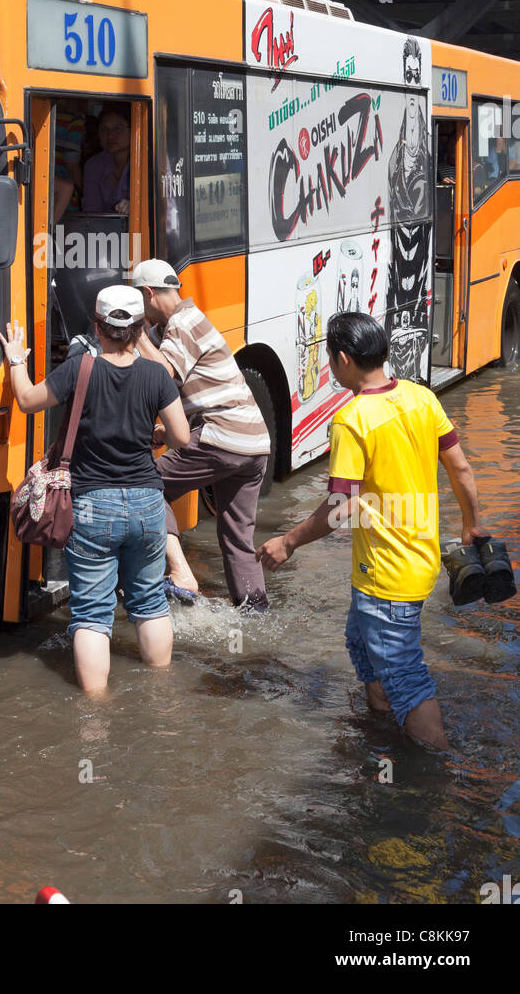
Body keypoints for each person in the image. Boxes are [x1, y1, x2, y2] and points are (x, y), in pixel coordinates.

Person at [257, 312, 484, 751]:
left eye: (329, 358)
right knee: (362, 646)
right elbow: (460, 466)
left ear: (343, 359)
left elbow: (342, 507)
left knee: (407, 679)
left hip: (387, 577)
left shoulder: (352, 419)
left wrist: (288, 542)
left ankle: (437, 773)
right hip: (416, 563)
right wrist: (472, 523)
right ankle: (381, 737)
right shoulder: (421, 397)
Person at [0, 285, 189, 695]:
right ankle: (161, 697)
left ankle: (95, 713)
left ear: (97, 327)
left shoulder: (79, 368)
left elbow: (29, 401)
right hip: (147, 504)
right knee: (150, 602)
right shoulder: (156, 375)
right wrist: (151, 434)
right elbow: (182, 437)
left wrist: (16, 360)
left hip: (90, 506)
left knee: (91, 615)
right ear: (140, 329)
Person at [131, 258, 272, 608]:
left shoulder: (184, 322)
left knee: (146, 483)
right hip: (254, 443)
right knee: (237, 538)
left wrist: (133, 333)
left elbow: (165, 375)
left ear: (149, 294)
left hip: (222, 437)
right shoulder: (174, 326)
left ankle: (181, 573)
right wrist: (163, 433)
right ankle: (255, 615)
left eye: (139, 302)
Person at [81, 106, 131, 214]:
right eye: (104, 129)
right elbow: (91, 213)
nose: (110, 135)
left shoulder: (149, 162)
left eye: (117, 128)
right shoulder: (94, 165)